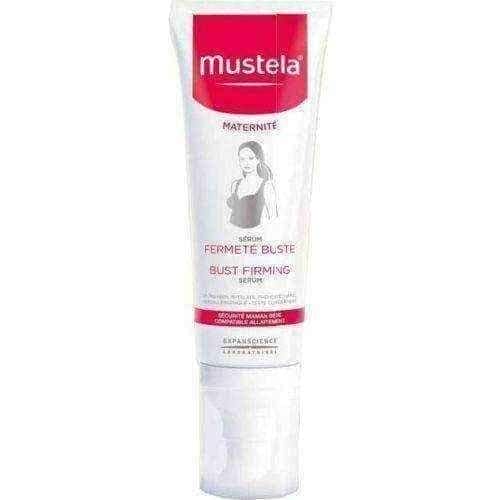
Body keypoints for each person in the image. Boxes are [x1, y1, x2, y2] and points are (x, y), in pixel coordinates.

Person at [227, 141, 278, 228]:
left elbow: (273, 217)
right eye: (242, 159)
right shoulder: (235, 185)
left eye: (251, 158)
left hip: (255, 233)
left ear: (258, 159)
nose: (246, 163)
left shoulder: (266, 185)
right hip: (230, 233)